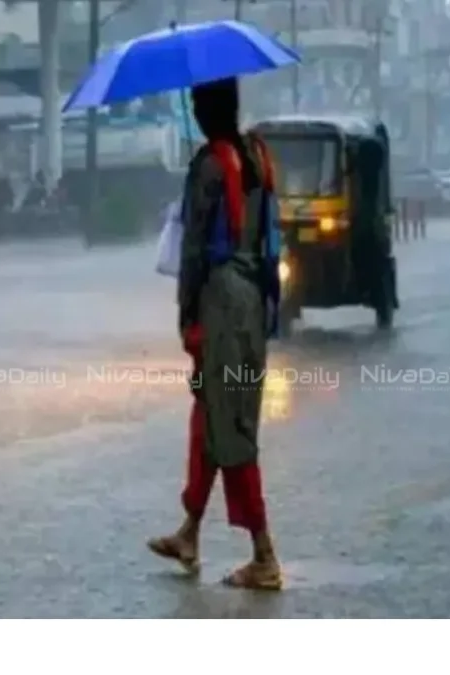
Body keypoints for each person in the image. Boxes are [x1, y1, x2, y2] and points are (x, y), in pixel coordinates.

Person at [146, 77, 283, 591]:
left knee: (230, 429)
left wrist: (187, 318)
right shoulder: (259, 157)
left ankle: (264, 555)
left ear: (206, 111)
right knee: (210, 415)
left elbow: (194, 252)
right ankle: (190, 531)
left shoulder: (208, 166)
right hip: (253, 301)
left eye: (200, 105)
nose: (199, 115)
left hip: (221, 305)